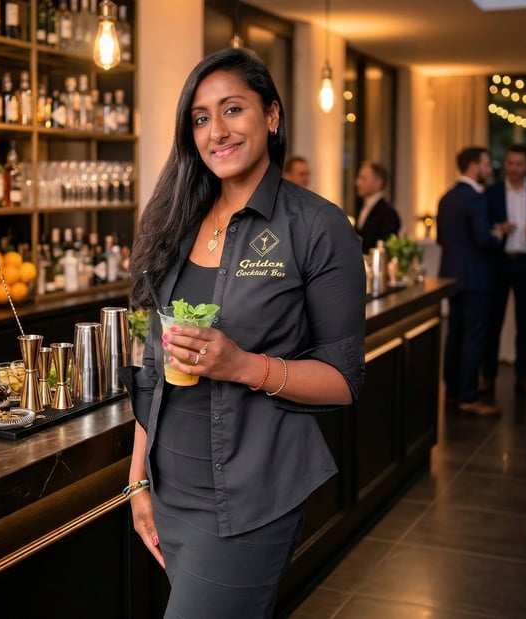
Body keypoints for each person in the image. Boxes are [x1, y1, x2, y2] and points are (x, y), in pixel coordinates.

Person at [122, 48, 366, 618]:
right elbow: (155, 365)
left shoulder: (317, 225)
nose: (217, 131)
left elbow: (344, 379)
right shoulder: (175, 220)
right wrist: (137, 479)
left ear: (272, 115)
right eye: (201, 118)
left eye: (233, 109)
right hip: (168, 486)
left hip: (250, 497)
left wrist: (242, 366)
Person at [437, 146, 508, 416]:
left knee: (455, 335)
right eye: (486, 165)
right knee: (474, 337)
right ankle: (468, 396)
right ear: (474, 166)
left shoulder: (447, 197)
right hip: (476, 278)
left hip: (452, 276)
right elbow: (483, 240)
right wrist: (498, 234)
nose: (489, 170)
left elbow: (442, 239)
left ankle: (451, 393)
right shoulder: (475, 199)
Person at [480, 143, 526, 395]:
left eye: (519, 164)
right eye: (510, 163)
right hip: (500, 262)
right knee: (493, 321)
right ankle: (488, 375)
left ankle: (523, 376)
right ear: (505, 164)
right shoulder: (492, 192)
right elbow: (483, 229)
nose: (514, 169)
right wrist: (499, 229)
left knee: (525, 322)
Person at [354, 161, 401, 254]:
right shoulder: (361, 207)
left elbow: (386, 248)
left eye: (363, 179)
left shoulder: (388, 213)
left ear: (378, 183)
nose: (357, 182)